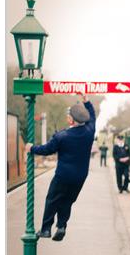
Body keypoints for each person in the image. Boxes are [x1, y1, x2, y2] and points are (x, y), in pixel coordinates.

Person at [25, 91, 96, 241]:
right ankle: (62, 226)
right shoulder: (90, 132)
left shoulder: (62, 136)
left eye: (68, 116)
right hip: (80, 176)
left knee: (52, 199)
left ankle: (45, 229)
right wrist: (87, 101)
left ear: (71, 120)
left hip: (63, 176)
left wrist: (31, 148)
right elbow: (93, 116)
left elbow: (46, 150)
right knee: (67, 201)